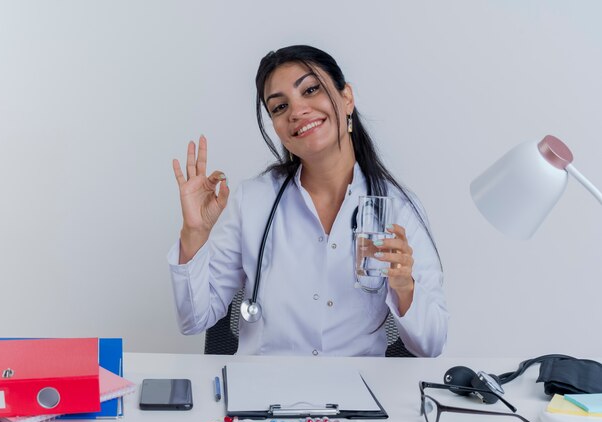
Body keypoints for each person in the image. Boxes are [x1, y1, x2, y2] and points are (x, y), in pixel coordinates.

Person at [168, 45, 448, 357]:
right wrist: (194, 233)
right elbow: (195, 319)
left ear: (346, 98)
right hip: (264, 395)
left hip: (356, 397)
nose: (297, 111)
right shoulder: (254, 200)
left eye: (311, 89)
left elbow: (431, 345)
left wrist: (405, 287)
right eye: (279, 107)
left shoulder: (398, 207)